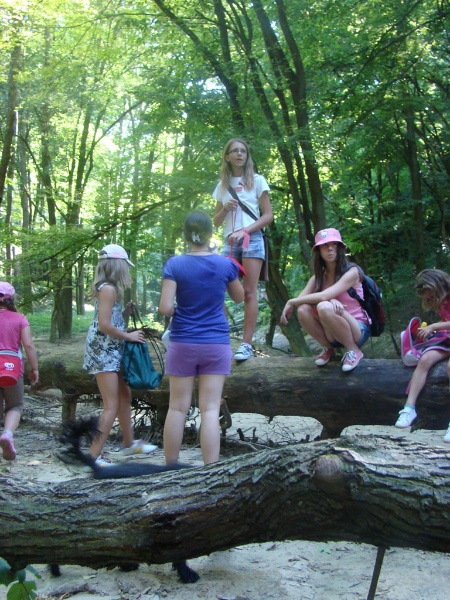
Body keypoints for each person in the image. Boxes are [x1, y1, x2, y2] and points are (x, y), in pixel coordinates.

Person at [159, 211, 244, 465]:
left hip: (183, 341)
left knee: (177, 408)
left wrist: (181, 311)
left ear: (186, 235)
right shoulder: (225, 265)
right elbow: (239, 297)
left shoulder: (175, 264)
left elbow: (165, 308)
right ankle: (210, 472)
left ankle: (170, 468)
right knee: (210, 409)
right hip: (216, 343)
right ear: (211, 234)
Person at [82, 244, 157, 466]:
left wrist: (123, 314)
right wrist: (129, 336)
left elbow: (109, 319)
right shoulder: (108, 289)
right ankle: (92, 457)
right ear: (117, 265)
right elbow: (104, 325)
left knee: (124, 395)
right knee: (111, 405)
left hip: (111, 349)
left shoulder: (109, 288)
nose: (127, 270)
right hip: (103, 351)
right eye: (125, 265)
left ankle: (129, 443)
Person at [213, 138, 273, 361]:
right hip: (229, 241)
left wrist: (245, 231)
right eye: (235, 151)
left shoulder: (257, 180)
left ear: (247, 156)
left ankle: (246, 345)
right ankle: (221, 339)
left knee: (249, 292)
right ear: (227, 156)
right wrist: (225, 209)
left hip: (252, 239)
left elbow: (268, 216)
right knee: (216, 287)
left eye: (243, 151)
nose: (239, 154)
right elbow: (216, 222)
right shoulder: (222, 186)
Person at [280, 228, 371, 372]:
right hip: (332, 332)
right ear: (319, 251)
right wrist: (330, 300)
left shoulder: (352, 272)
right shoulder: (317, 278)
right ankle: (328, 348)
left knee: (324, 306)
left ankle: (353, 350)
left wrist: (291, 301)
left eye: (334, 244)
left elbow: (323, 296)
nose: (330, 248)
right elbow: (302, 300)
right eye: (325, 245)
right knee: (303, 309)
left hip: (357, 329)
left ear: (339, 247)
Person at [395, 269, 450, 440]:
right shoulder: (441, 302)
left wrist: (434, 327)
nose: (429, 298)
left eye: (431, 295)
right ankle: (409, 408)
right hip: (447, 339)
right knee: (425, 359)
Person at [0, 282, 39, 461]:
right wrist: (34, 368)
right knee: (15, 405)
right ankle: (7, 434)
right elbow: (28, 345)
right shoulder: (19, 319)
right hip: (12, 370)